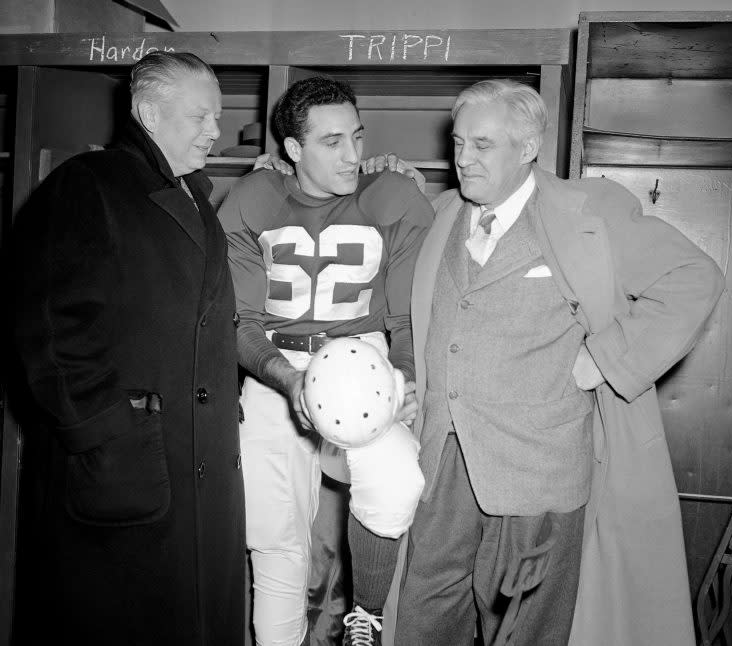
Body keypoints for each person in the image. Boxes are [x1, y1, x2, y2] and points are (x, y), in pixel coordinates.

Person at [392, 79, 725, 646]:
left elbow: (696, 278)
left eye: (483, 145)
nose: (463, 159)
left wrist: (605, 359)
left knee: (526, 632)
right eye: (458, 142)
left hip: (539, 479)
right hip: (443, 468)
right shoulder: (441, 213)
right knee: (422, 621)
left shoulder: (587, 212)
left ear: (528, 149)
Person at [11, 51, 245, 646]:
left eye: (217, 116)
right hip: (122, 468)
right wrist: (108, 432)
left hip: (192, 460)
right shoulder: (86, 185)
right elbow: (42, 326)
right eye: (200, 117)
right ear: (147, 111)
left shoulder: (192, 192)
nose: (215, 130)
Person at [216, 76, 433, 646]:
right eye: (331, 142)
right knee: (274, 532)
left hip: (364, 362)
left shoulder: (393, 193)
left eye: (357, 137)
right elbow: (239, 319)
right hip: (277, 364)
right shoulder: (253, 196)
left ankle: (366, 614)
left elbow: (408, 315)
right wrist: (285, 380)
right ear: (293, 148)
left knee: (396, 482)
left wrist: (405, 376)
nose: (353, 155)